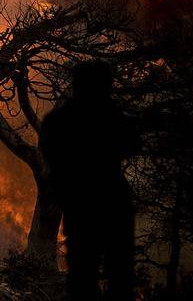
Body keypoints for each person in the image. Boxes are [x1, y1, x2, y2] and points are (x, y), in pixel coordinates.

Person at [39, 60, 139, 300]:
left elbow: (50, 156)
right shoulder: (112, 115)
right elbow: (132, 144)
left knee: (82, 277)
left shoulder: (58, 119)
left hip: (80, 208)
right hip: (113, 204)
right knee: (120, 276)